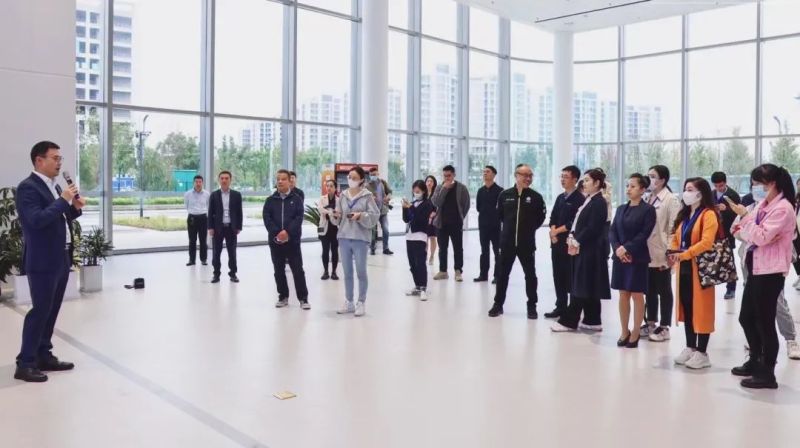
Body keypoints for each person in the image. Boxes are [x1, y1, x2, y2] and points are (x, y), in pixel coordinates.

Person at [14, 141, 85, 383]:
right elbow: (36, 220)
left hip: (61, 257)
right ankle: (25, 363)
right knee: (40, 311)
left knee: (52, 310)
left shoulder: (54, 186)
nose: (59, 163)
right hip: (42, 260)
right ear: (39, 160)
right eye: (55, 158)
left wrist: (74, 208)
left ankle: (43, 355)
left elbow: (59, 216)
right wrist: (63, 200)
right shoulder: (28, 188)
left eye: (60, 159)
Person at [730, 164, 797, 389]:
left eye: (759, 183)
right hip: (756, 267)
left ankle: (767, 373)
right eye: (753, 184)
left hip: (771, 271)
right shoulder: (763, 205)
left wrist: (748, 221)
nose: (755, 188)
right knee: (746, 317)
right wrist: (751, 228)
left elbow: (759, 236)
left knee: (764, 322)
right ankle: (755, 359)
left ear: (773, 183)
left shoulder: (783, 208)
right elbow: (738, 230)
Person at [668, 178, 719, 370]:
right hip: (684, 268)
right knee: (688, 308)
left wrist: (685, 254)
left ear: (700, 193)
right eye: (685, 189)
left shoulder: (708, 214)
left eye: (690, 189)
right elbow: (676, 237)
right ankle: (690, 346)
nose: (686, 193)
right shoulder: (685, 214)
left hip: (701, 270)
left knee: (702, 310)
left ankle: (702, 352)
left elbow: (706, 242)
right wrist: (674, 252)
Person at [552, 168, 610, 333]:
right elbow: (579, 222)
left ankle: (569, 321)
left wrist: (577, 240)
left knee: (581, 285)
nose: (584, 183)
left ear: (597, 183)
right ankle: (592, 319)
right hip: (583, 248)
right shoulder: (590, 199)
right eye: (584, 180)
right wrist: (572, 236)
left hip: (590, 250)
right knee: (588, 285)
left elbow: (593, 227)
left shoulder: (599, 202)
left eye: (587, 180)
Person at [488, 164, 546, 319]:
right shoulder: (505, 195)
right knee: (502, 275)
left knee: (530, 275)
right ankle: (498, 304)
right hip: (507, 243)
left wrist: (528, 229)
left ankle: (532, 306)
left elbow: (540, 218)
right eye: (525, 175)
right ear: (516, 175)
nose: (528, 178)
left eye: (530, 175)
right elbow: (500, 215)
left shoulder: (536, 197)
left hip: (526, 244)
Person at [610, 174, 656, 348]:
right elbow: (612, 231)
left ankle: (636, 331)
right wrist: (618, 248)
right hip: (620, 257)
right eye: (627, 186)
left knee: (637, 295)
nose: (629, 189)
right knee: (623, 294)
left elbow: (644, 233)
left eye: (633, 186)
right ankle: (624, 331)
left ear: (642, 190)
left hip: (637, 257)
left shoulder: (648, 210)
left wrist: (627, 248)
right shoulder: (621, 208)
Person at [332, 166, 380, 317]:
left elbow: (374, 215)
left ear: (361, 180)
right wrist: (336, 215)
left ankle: (361, 302)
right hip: (344, 236)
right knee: (347, 272)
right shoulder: (343, 195)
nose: (350, 180)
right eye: (349, 177)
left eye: (354, 178)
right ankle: (349, 301)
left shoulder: (367, 196)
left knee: (361, 271)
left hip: (360, 238)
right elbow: (337, 218)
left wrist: (361, 216)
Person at [641, 165, 681, 342]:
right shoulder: (647, 197)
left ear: (663, 180)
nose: (649, 179)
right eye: (648, 175)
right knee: (648, 289)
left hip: (662, 251)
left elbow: (674, 228)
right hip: (646, 251)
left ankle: (664, 326)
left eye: (653, 176)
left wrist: (671, 252)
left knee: (664, 289)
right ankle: (650, 322)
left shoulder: (670, 199)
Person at [263, 169, 310, 310]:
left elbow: (299, 218)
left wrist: (287, 232)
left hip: (292, 241)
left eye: (283, 179)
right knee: (278, 270)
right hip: (275, 241)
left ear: (290, 181)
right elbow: (267, 218)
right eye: (278, 179)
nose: (280, 181)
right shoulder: (270, 200)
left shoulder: (297, 199)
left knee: (297, 270)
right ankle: (283, 296)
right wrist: (278, 233)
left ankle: (303, 298)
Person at [545, 165, 585, 319]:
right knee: (558, 275)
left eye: (566, 177)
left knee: (570, 276)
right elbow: (553, 217)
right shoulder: (560, 198)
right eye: (561, 176)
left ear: (575, 179)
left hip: (570, 244)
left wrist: (556, 231)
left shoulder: (579, 199)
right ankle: (560, 306)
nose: (562, 180)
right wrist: (552, 231)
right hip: (556, 243)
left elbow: (573, 222)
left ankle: (572, 309)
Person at [431, 165, 470, 282]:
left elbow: (466, 205)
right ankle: (443, 271)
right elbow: (436, 202)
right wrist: (444, 189)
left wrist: (460, 217)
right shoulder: (439, 187)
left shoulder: (461, 188)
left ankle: (458, 271)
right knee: (442, 248)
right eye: (445, 176)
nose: (447, 178)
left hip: (456, 223)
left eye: (449, 175)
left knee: (458, 248)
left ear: (454, 175)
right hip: (441, 224)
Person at [208, 171, 243, 283]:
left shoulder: (236, 195)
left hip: (231, 228)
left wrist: (239, 227)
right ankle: (216, 274)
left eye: (226, 178)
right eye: (222, 178)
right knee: (216, 253)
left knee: (232, 253)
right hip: (218, 228)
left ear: (230, 180)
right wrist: (210, 227)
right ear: (219, 180)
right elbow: (210, 212)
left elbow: (239, 212)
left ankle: (233, 274)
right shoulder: (214, 195)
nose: (224, 180)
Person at [402, 180, 435, 301]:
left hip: (420, 236)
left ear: (424, 191)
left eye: (418, 191)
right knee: (412, 263)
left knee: (420, 262)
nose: (416, 193)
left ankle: (423, 288)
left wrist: (410, 207)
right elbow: (406, 219)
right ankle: (417, 286)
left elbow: (421, 218)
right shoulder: (413, 203)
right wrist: (404, 208)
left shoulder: (427, 204)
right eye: (414, 191)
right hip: (409, 236)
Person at [711, 171, 741, 300]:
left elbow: (740, 214)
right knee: (710, 259)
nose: (719, 188)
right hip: (713, 233)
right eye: (716, 186)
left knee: (729, 261)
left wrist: (727, 209)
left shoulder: (733, 195)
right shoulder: (711, 194)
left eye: (721, 185)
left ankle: (731, 288)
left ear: (725, 182)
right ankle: (709, 284)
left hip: (727, 233)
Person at [474, 165, 503, 283]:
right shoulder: (480, 191)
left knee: (497, 252)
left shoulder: (500, 191)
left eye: (488, 171)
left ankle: (498, 276)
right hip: (483, 226)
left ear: (494, 174)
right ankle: (483, 274)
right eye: (484, 172)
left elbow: (502, 209)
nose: (485, 173)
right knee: (484, 251)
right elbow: (478, 208)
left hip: (496, 226)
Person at [366, 166, 393, 255]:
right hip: (373, 211)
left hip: (383, 210)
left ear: (378, 174)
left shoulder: (383, 183)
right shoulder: (367, 186)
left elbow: (390, 192)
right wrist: (371, 198)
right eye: (371, 175)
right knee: (373, 231)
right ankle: (372, 248)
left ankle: (386, 248)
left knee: (386, 230)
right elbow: (364, 198)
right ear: (369, 175)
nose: (373, 176)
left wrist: (388, 197)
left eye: (375, 174)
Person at [184, 175, 210, 266]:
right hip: (192, 218)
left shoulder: (207, 194)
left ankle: (203, 259)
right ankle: (192, 260)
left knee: (203, 240)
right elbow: (186, 206)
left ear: (202, 183)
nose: (198, 184)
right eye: (196, 182)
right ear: (193, 183)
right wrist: (193, 212)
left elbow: (208, 206)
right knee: (192, 240)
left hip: (203, 218)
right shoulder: (188, 194)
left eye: (200, 182)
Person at [318, 179, 340, 281]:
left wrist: (329, 212)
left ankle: (334, 272)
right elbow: (320, 209)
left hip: (335, 228)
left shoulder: (339, 200)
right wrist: (331, 212)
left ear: (335, 188)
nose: (329, 188)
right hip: (324, 227)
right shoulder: (322, 199)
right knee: (325, 250)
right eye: (327, 186)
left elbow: (339, 213)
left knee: (335, 251)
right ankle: (326, 271)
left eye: (331, 186)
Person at [425, 175, 439, 265]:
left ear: (434, 183)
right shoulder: (423, 193)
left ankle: (432, 256)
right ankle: (425, 254)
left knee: (432, 237)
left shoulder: (436, 194)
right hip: (424, 218)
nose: (429, 183)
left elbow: (437, 207)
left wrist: (431, 216)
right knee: (424, 237)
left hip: (433, 218)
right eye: (428, 181)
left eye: (431, 181)